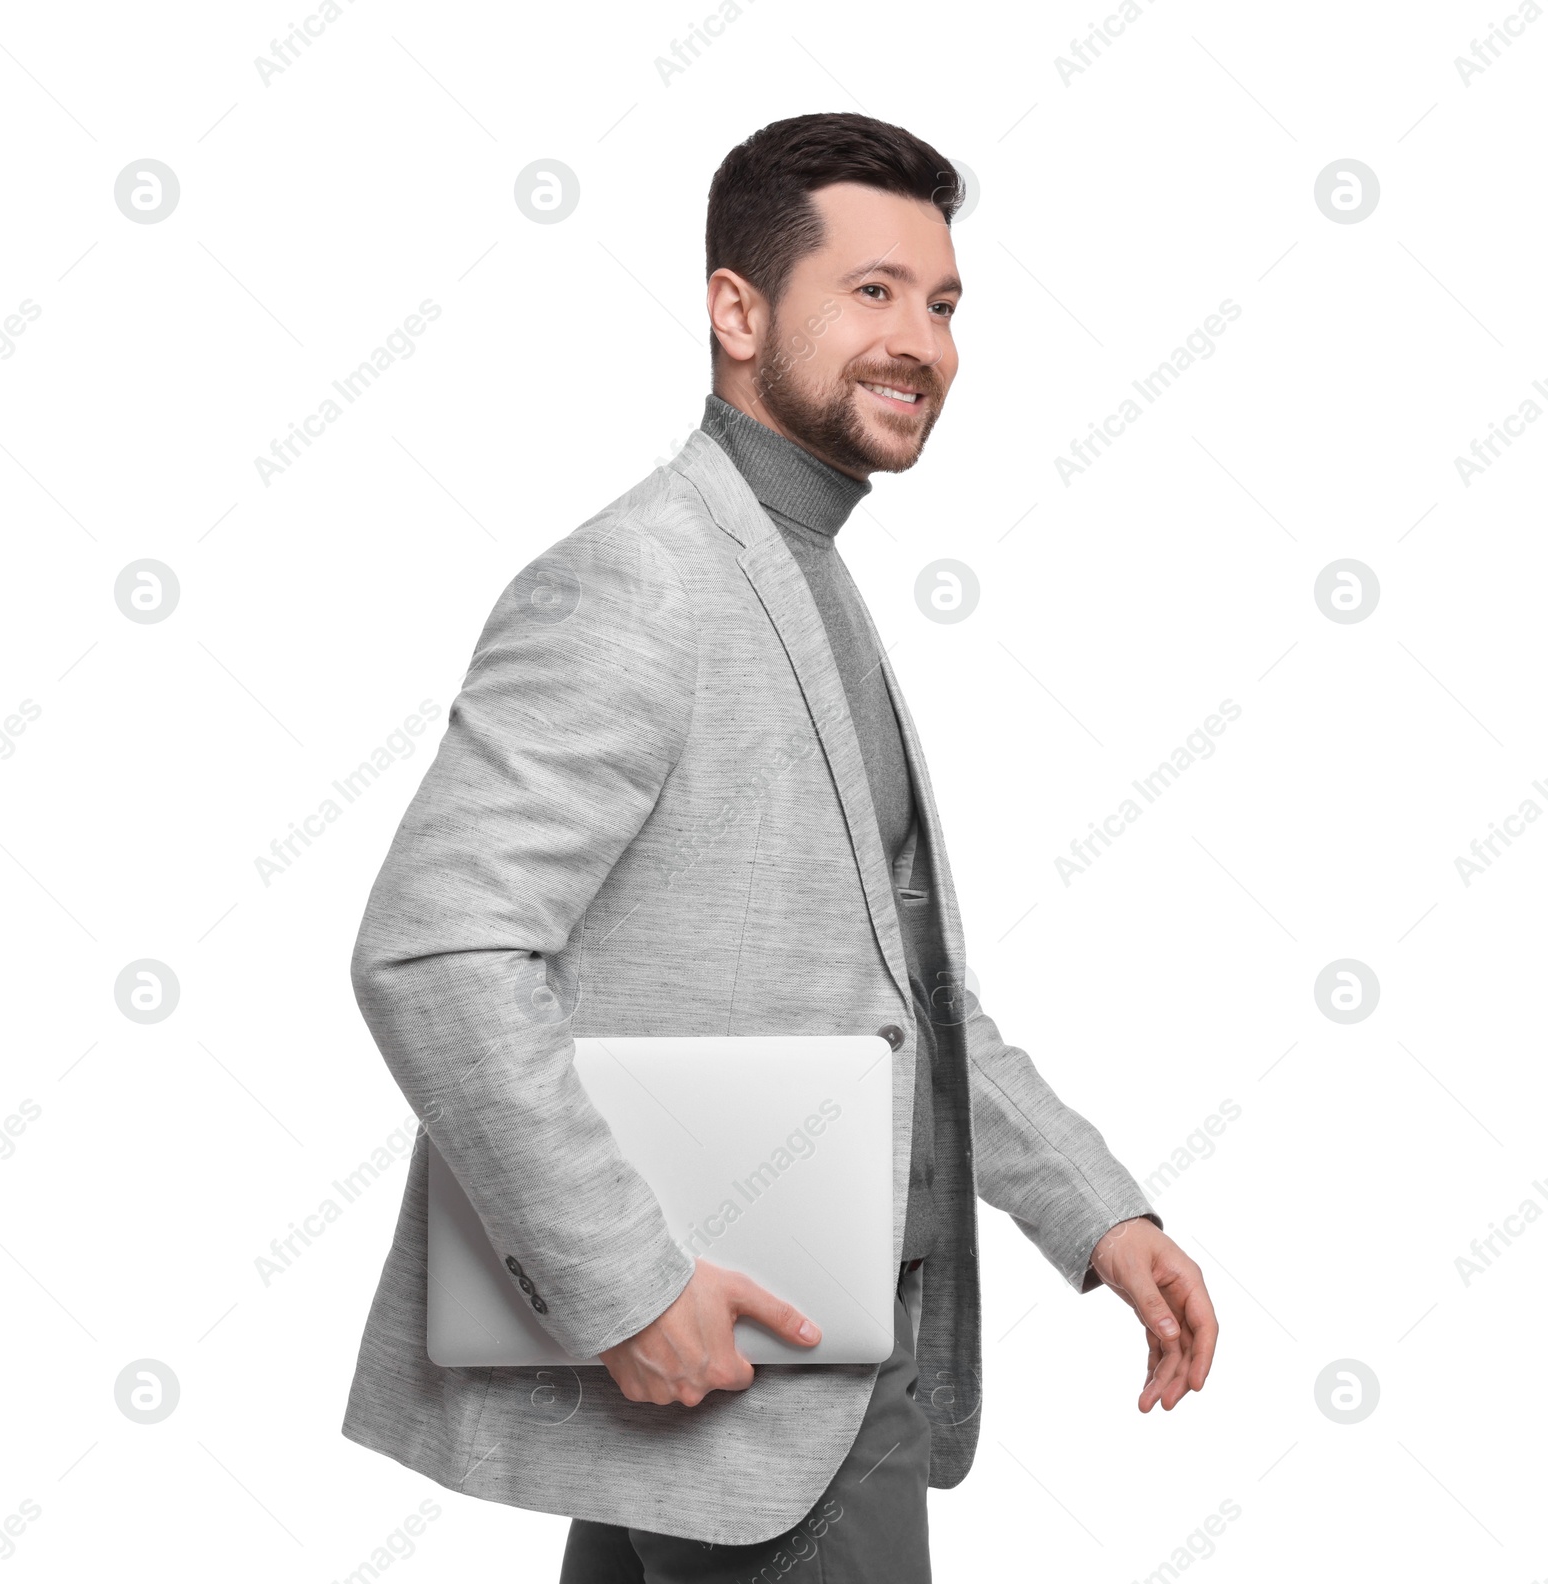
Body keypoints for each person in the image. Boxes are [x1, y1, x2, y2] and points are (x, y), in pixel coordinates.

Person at [341, 111, 1218, 1582]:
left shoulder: (800, 574)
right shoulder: (642, 581)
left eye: (942, 304)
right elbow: (435, 952)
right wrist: (626, 1288)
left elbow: (899, 990)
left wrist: (1091, 1204)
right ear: (736, 311)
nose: (922, 340)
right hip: (761, 1361)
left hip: (759, 1373)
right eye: (871, 291)